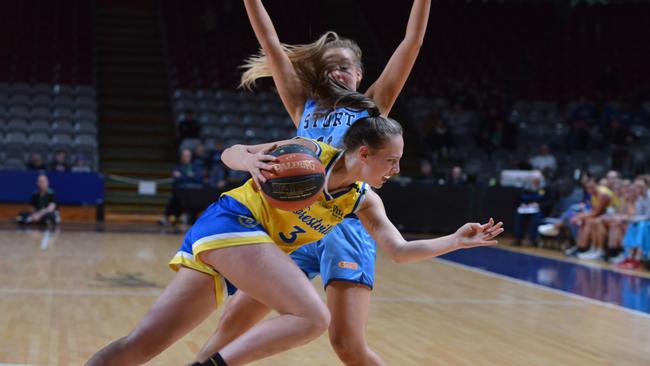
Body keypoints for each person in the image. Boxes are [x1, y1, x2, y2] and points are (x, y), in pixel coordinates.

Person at [86, 115, 504, 366]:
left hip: (236, 248)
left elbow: (397, 251)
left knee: (142, 344)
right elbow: (231, 151)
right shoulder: (307, 152)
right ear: (362, 153)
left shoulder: (362, 200)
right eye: (390, 160)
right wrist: (248, 158)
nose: (395, 169)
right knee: (312, 317)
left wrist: (454, 240)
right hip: (231, 221)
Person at [198, 1, 433, 365]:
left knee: (346, 345)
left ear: (359, 73)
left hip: (346, 220)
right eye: (330, 67)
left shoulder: (373, 105)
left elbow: (412, 42)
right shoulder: (301, 103)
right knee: (234, 317)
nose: (337, 73)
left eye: (345, 66)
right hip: (297, 221)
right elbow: (271, 43)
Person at [159, 148, 204, 227]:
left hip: (193, 194)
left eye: (188, 155)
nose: (186, 157)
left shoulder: (195, 167)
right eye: (185, 155)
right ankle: (170, 217)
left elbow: (198, 179)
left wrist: (183, 176)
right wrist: (189, 176)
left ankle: (179, 217)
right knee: (177, 199)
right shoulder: (178, 167)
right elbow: (177, 179)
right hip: (180, 192)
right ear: (182, 156)